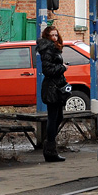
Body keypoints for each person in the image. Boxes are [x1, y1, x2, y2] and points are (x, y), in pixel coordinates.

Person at [36, 26, 69, 162]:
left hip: (56, 86)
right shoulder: (47, 49)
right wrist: (63, 67)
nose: (55, 37)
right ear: (47, 36)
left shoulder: (54, 48)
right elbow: (47, 70)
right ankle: (50, 148)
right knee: (53, 117)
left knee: (58, 116)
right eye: (52, 35)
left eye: (56, 35)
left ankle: (49, 145)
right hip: (52, 87)